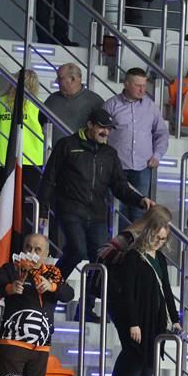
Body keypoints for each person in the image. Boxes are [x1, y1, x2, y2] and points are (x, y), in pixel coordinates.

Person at [38, 107, 154, 322]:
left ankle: (85, 309)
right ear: (89, 125)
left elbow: (119, 186)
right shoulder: (67, 145)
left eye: (109, 129)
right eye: (102, 127)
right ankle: (48, 292)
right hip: (70, 209)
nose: (106, 132)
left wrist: (139, 200)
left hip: (98, 215)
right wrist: (43, 208)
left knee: (100, 260)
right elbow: (49, 178)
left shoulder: (110, 154)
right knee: (77, 250)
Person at [0, 234, 72, 376]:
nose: (31, 253)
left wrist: (52, 287)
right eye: (28, 248)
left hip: (42, 345)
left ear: (46, 254)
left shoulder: (53, 274)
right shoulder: (12, 268)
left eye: (37, 250)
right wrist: (9, 288)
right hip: (14, 342)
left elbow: (69, 294)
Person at [109, 219, 180, 376]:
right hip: (138, 316)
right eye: (156, 237)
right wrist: (133, 323)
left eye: (163, 239)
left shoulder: (160, 258)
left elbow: (166, 290)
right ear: (148, 233)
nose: (159, 242)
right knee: (133, 364)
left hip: (156, 318)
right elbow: (128, 292)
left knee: (149, 368)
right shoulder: (133, 256)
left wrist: (175, 319)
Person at [104, 67, 169, 227]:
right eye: (138, 85)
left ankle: (136, 241)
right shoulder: (111, 105)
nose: (142, 90)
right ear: (126, 84)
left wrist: (157, 155)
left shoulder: (151, 107)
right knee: (116, 209)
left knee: (140, 209)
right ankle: (118, 241)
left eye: (144, 85)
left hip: (142, 166)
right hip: (116, 167)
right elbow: (101, 133)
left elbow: (162, 133)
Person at [0, 69, 45, 202]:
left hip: (2, 158)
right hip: (31, 160)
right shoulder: (38, 106)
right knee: (27, 201)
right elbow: (46, 131)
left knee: (6, 201)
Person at [40, 63, 104, 144]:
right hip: (53, 150)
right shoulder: (52, 99)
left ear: (73, 79)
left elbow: (101, 132)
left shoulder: (95, 102)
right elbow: (40, 122)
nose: (56, 81)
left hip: (83, 151)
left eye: (60, 78)